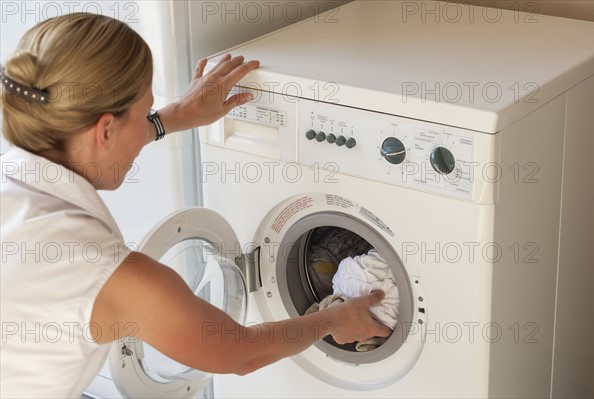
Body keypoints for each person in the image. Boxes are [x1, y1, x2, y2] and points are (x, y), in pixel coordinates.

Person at [0, 13, 391, 397]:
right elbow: (240, 353)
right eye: (143, 113)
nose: (148, 122)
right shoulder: (101, 271)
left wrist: (166, 121)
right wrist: (336, 318)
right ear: (105, 129)